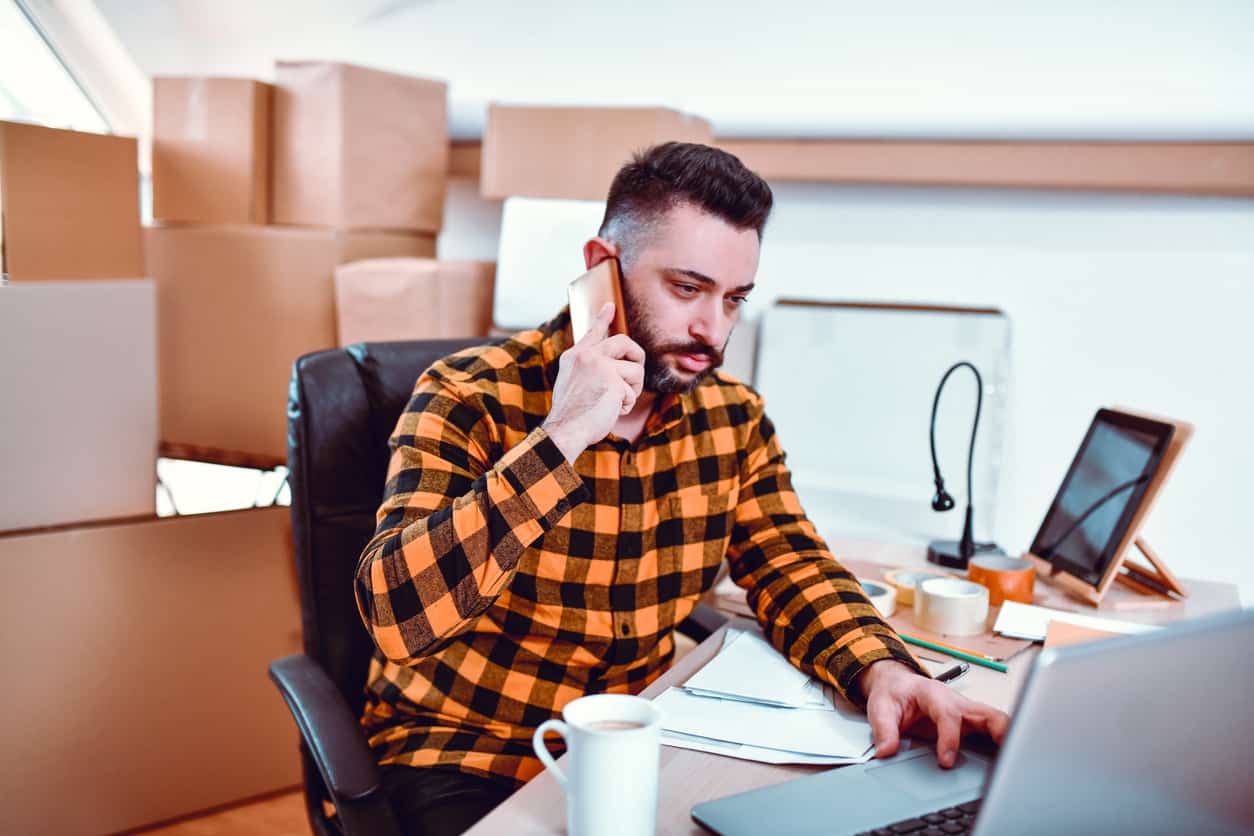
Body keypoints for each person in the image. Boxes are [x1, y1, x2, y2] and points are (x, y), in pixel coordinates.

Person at [354, 142, 1009, 835]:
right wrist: (562, 437)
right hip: (469, 752)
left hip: (642, 738)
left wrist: (885, 670)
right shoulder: (467, 395)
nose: (713, 331)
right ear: (601, 267)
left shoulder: (733, 416)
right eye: (688, 289)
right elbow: (398, 618)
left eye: (734, 299)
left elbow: (792, 566)